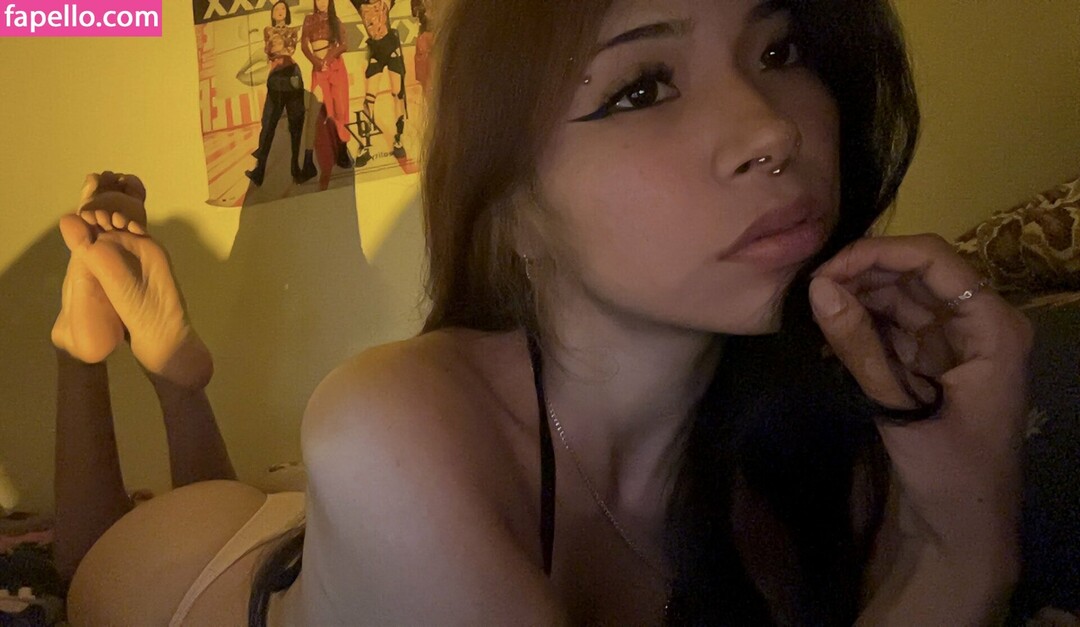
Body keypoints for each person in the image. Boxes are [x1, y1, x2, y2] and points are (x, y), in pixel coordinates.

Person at [65, 0, 1035, 624]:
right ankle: (103, 353)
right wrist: (960, 558)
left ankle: (174, 374)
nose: (772, 128)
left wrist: (938, 508)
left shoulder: (844, 452)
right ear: (514, 215)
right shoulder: (387, 418)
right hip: (205, 573)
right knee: (86, 568)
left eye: (778, 49)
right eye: (642, 88)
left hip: (352, 541)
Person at [245, 1, 317, 187]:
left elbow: (290, 49)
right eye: (276, 8)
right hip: (276, 78)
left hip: (292, 76)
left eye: (283, 8)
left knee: (296, 124)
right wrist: (279, 47)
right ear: (272, 13)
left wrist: (278, 47)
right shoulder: (268, 30)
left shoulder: (293, 30)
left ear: (287, 12)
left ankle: (296, 169)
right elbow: (270, 51)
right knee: (268, 123)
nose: (279, 11)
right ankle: (259, 170)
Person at [349, 0, 408, 165]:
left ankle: (399, 138)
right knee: (369, 98)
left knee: (398, 93)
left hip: (392, 49)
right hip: (376, 51)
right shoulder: (360, 4)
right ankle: (366, 144)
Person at [301, 0, 355, 171]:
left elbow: (344, 44)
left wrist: (328, 58)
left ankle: (342, 150)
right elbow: (304, 46)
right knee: (313, 114)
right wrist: (317, 62)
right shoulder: (309, 19)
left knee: (340, 110)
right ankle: (308, 160)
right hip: (319, 69)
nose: (322, 2)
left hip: (336, 67)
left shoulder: (335, 20)